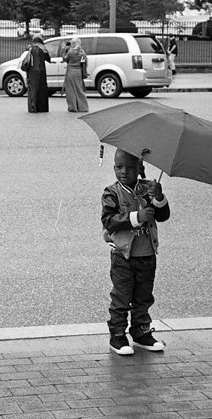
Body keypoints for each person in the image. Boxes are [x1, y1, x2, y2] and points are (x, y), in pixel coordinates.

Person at [101, 149, 171, 355]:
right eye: (119, 167)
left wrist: (158, 198)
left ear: (141, 168)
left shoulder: (149, 188)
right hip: (123, 256)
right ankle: (117, 335)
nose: (124, 172)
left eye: (131, 168)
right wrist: (137, 216)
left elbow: (163, 215)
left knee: (143, 296)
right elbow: (109, 221)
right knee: (121, 297)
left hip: (147, 254)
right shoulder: (111, 193)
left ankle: (141, 332)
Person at [24, 36, 50, 113]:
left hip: (33, 71)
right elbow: (48, 59)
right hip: (42, 71)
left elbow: (27, 60)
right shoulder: (43, 49)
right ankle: (43, 108)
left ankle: (33, 107)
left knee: (33, 90)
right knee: (42, 89)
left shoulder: (31, 49)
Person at [62, 37, 89, 112]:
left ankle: (73, 107)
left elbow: (64, 59)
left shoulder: (71, 52)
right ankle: (83, 107)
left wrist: (64, 50)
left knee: (70, 90)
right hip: (78, 71)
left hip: (71, 71)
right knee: (79, 89)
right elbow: (84, 62)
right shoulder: (82, 52)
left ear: (73, 43)